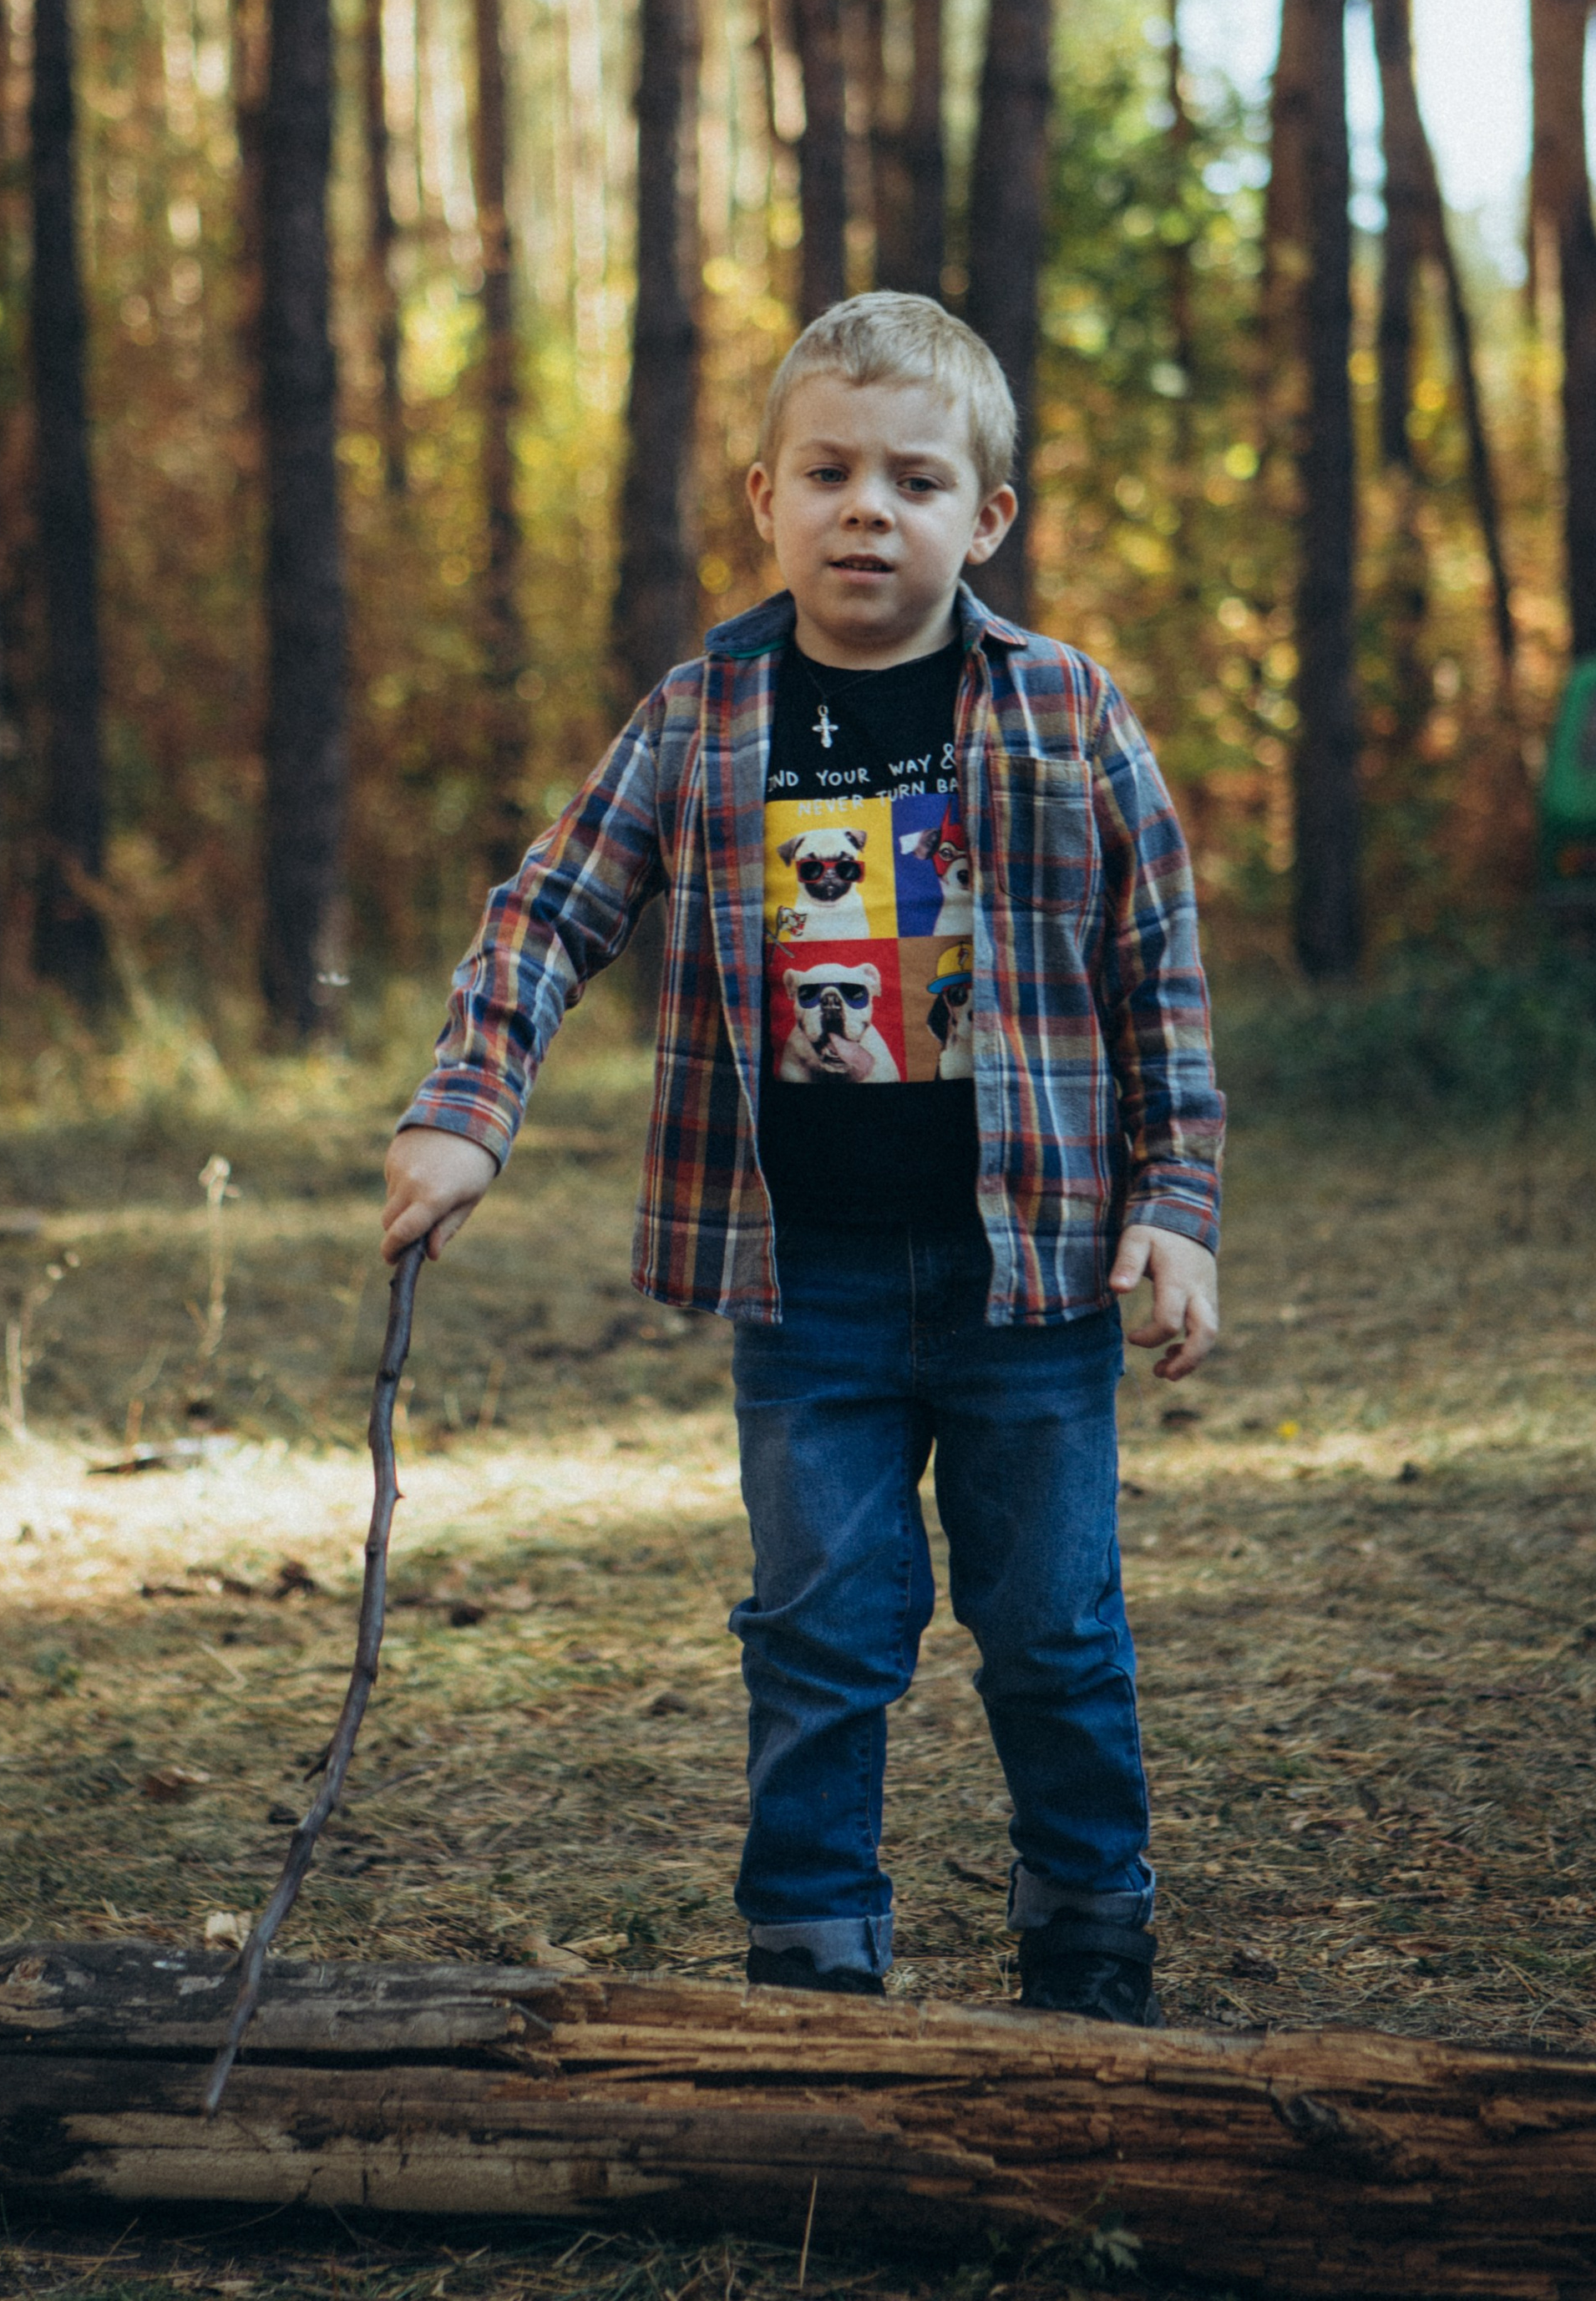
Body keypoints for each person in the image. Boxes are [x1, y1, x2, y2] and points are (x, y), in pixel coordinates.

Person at [381, 293, 1224, 2023]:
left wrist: (1176, 1210)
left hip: (1033, 1275)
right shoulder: (703, 710)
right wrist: (466, 1112)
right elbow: (550, 910)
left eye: (913, 478)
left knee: (1053, 1629)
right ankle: (811, 1978)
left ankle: (1087, 1934)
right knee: (820, 1635)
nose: (866, 508)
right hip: (807, 1281)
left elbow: (1161, 975)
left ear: (982, 516)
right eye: (827, 471)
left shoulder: (1063, 711)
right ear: (760, 495)